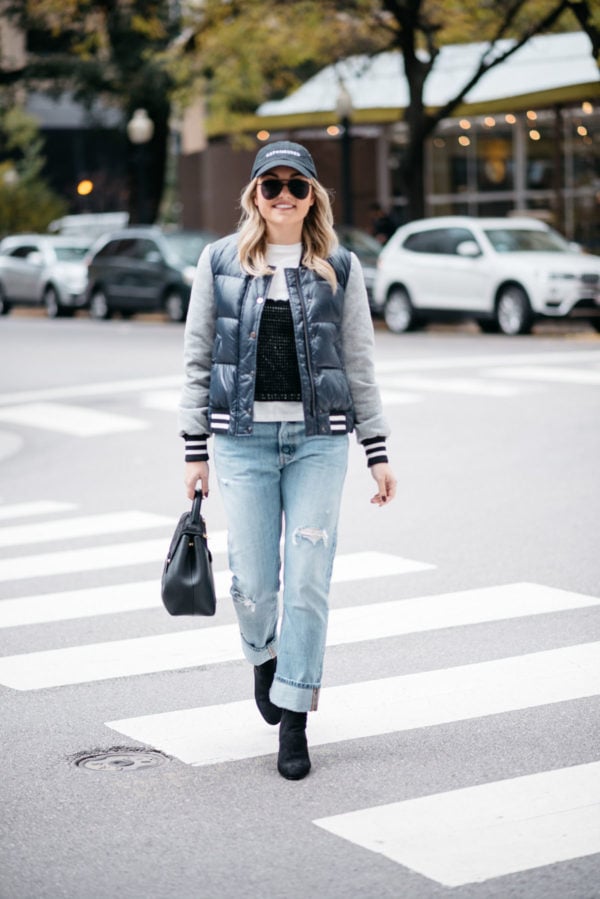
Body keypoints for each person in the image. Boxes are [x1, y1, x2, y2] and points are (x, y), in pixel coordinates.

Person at [179, 140, 396, 781]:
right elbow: (197, 362)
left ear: (311, 197)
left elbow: (359, 363)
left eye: (295, 186)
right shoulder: (218, 261)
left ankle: (295, 715)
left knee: (306, 578)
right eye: (270, 185)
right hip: (240, 443)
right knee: (252, 582)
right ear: (253, 195)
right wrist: (194, 452)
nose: (282, 197)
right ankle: (264, 657)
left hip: (318, 443)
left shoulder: (340, 265)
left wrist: (377, 450)